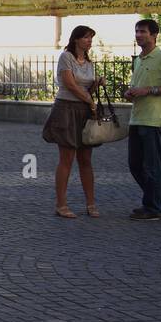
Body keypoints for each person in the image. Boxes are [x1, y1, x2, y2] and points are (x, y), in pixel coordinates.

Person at [122, 19, 161, 220]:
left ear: (154, 34)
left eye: (143, 32)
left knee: (152, 165)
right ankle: (153, 200)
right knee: (135, 164)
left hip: (155, 119)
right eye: (136, 31)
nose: (139, 35)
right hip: (137, 117)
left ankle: (153, 206)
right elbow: (139, 87)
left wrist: (150, 90)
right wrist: (131, 93)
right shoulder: (138, 59)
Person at [40, 25, 101, 219]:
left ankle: (91, 203)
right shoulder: (66, 57)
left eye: (91, 37)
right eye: (85, 37)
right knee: (67, 158)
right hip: (66, 108)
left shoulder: (89, 63)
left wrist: (96, 85)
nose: (89, 41)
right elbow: (70, 84)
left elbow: (85, 89)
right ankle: (61, 204)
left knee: (85, 159)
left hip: (84, 110)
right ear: (76, 39)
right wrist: (90, 100)